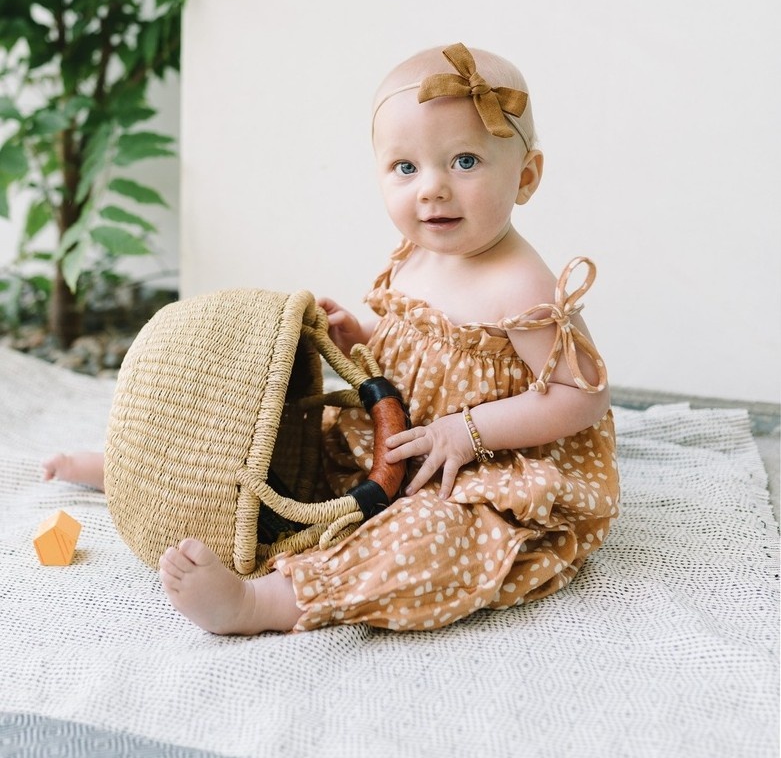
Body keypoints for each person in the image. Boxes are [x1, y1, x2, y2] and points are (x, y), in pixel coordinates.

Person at [46, 42, 619, 636]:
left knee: (431, 538)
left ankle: (266, 602)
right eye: (406, 168)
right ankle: (146, 473)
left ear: (526, 176)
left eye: (465, 161)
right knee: (275, 437)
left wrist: (467, 431)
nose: (432, 189)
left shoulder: (524, 287)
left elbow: (583, 396)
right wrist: (359, 336)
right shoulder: (418, 253)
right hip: (379, 444)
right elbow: (415, 353)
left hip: (477, 474)